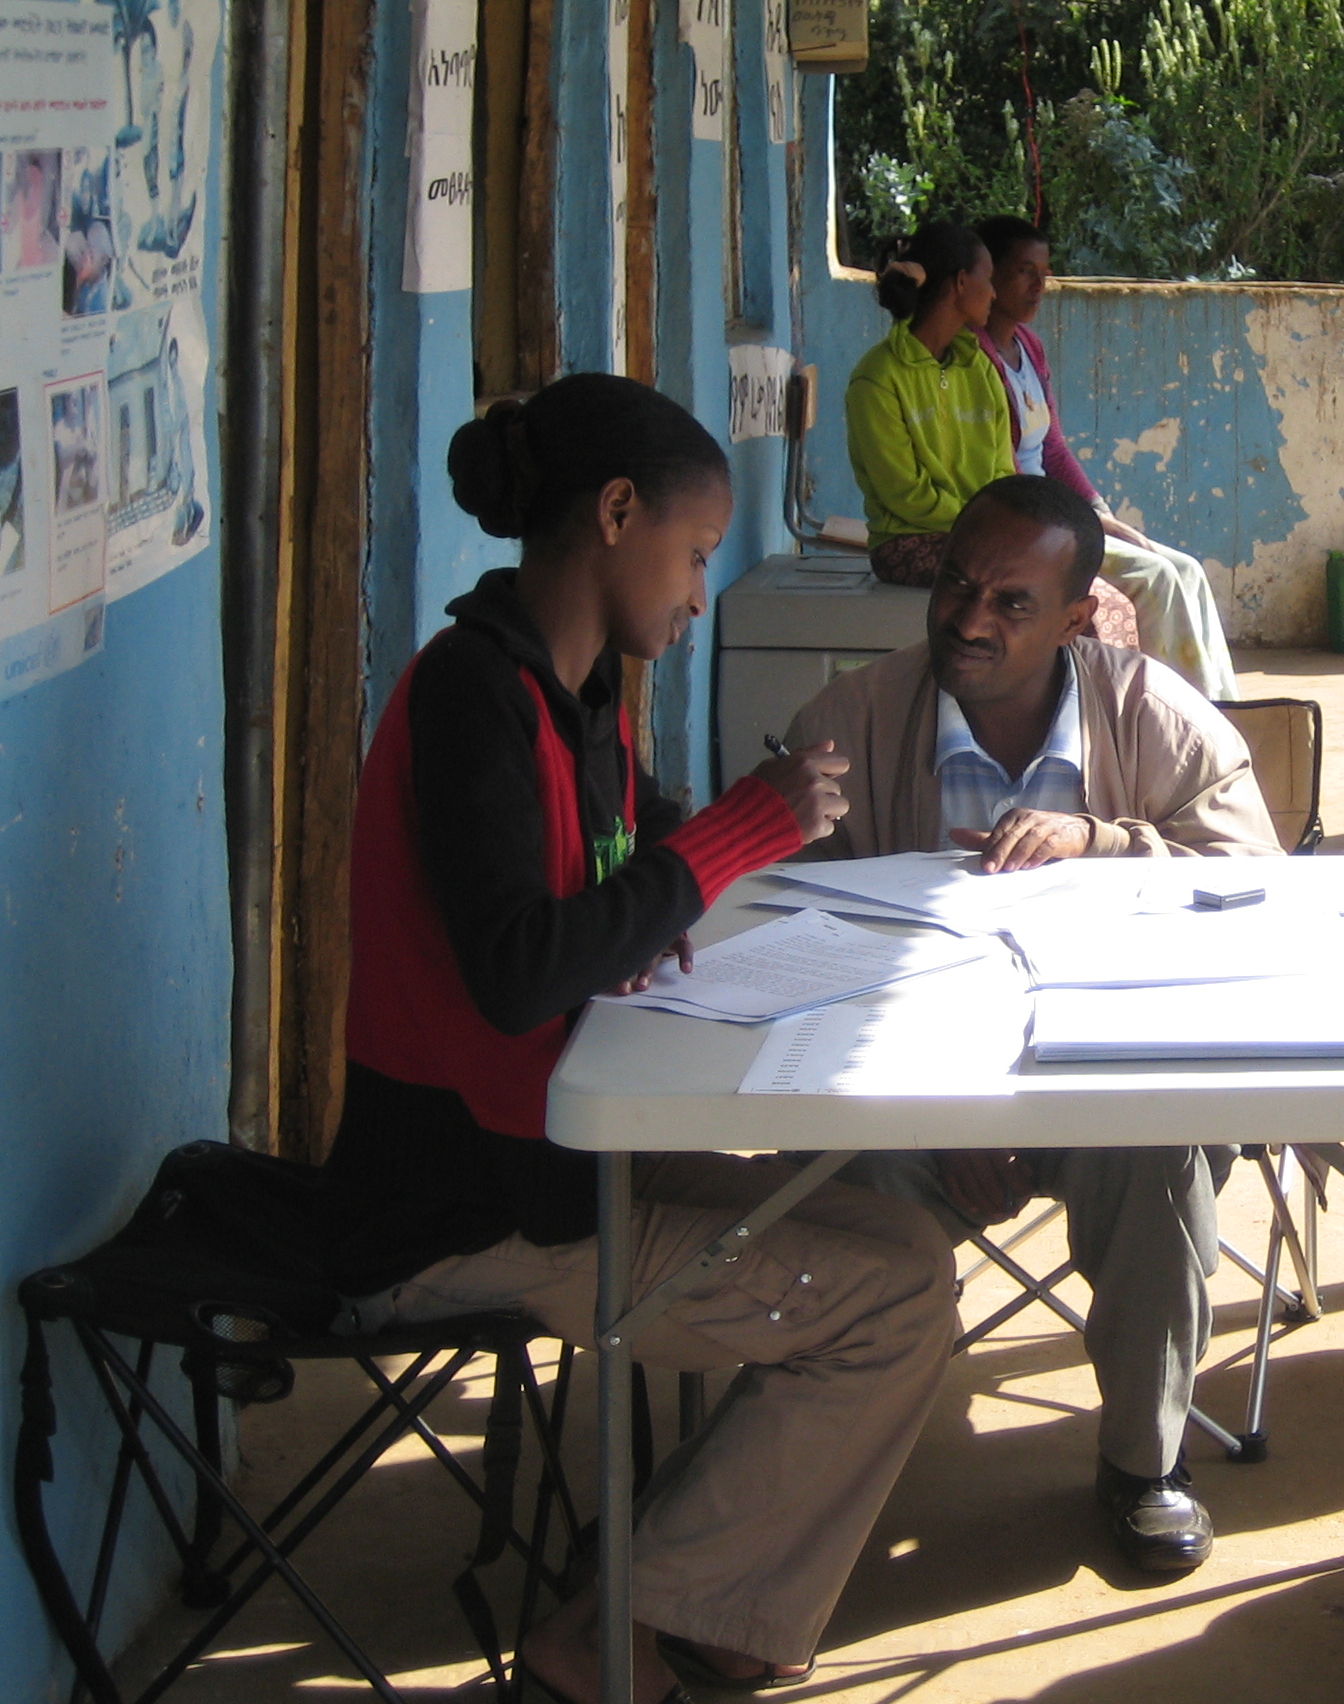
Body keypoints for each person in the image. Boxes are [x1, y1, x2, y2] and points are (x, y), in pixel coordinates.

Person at [322, 373, 957, 1704]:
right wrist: (741, 832)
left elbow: (618, 859)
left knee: (907, 1243)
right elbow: (515, 970)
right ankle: (615, 1636)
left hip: (561, 1144)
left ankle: (704, 1599)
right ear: (617, 514)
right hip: (467, 1208)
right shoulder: (468, 699)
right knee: (888, 1304)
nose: (697, 593)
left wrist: (718, 841)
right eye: (697, 552)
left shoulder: (576, 694)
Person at [786, 473, 1278, 1573]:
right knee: (821, 1165)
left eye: (1012, 604)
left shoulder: (1151, 712)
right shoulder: (847, 723)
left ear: (1073, 619)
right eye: (959, 585)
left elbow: (1258, 887)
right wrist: (929, 1102)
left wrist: (1106, 844)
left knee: (1162, 1153)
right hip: (905, 1095)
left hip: (1107, 1086)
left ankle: (1144, 1462)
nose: (969, 619)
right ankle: (824, 1450)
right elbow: (784, 936)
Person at [973, 214, 1240, 700]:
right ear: (989, 276)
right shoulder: (976, 356)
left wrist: (1099, 512)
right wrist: (1077, 523)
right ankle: (1172, 716)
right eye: (1024, 272)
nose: (1039, 285)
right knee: (1154, 577)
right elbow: (1001, 467)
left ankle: (1225, 710)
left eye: (1044, 271)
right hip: (1029, 519)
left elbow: (1051, 445)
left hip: (1059, 509)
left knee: (1188, 569)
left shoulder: (1028, 347)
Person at [847, 220, 1138, 645]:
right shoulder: (879, 377)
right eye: (987, 279)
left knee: (1106, 606)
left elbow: (1005, 471)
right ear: (962, 284)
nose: (995, 293)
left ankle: (1102, 710)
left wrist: (1012, 524)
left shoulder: (979, 368)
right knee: (1066, 609)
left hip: (985, 533)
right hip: (911, 542)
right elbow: (906, 496)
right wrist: (992, 526)